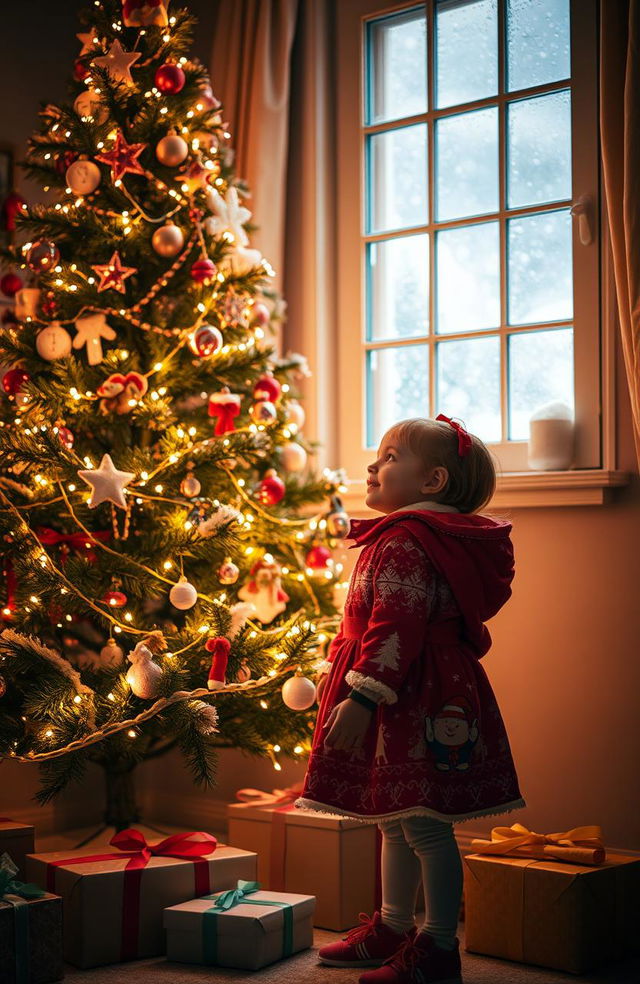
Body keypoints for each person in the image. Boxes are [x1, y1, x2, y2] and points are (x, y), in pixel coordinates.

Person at [294, 414, 526, 984]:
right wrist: (336, 669)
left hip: (408, 691)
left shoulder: (405, 540)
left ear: (434, 481)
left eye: (391, 457)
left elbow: (395, 624)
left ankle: (439, 947)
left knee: (423, 823)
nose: (374, 466)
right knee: (395, 819)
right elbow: (373, 619)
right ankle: (394, 927)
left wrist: (363, 697)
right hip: (411, 682)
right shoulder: (412, 536)